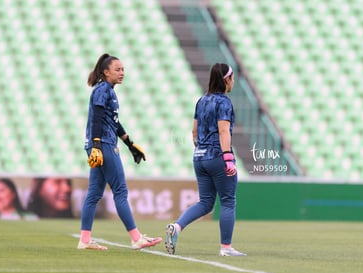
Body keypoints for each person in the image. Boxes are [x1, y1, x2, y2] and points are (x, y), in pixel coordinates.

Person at [77, 53, 162, 250]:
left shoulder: (107, 90)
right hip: (104, 144)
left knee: (94, 193)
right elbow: (97, 118)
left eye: (123, 69)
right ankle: (136, 238)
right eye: (118, 70)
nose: (122, 73)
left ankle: (85, 240)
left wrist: (129, 144)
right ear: (106, 72)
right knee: (120, 191)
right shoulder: (103, 90)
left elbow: (112, 122)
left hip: (101, 143)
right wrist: (97, 145)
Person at [165, 63, 246, 256]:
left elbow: (194, 131)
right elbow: (224, 130)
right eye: (232, 78)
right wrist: (227, 158)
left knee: (205, 202)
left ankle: (177, 227)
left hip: (199, 157)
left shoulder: (201, 100)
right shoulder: (224, 102)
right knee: (228, 201)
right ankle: (226, 247)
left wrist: (201, 149)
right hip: (218, 156)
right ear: (226, 79)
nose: (233, 82)